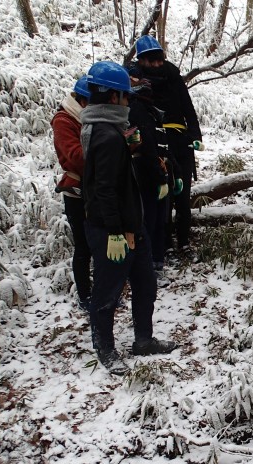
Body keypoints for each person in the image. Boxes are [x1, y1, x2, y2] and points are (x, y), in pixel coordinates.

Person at [81, 60, 176, 375]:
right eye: (126, 96)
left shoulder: (110, 131)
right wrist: (115, 233)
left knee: (146, 284)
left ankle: (143, 340)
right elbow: (103, 190)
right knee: (107, 292)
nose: (129, 101)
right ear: (112, 98)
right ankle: (105, 349)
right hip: (114, 231)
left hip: (133, 224)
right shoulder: (106, 137)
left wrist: (132, 148)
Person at [129, 35, 204, 255]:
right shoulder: (136, 81)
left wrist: (195, 135)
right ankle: (163, 243)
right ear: (142, 60)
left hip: (180, 141)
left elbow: (187, 107)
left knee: (183, 193)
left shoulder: (172, 76)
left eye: (158, 60)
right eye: (151, 61)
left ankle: (183, 240)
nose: (156, 65)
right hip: (155, 144)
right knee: (162, 195)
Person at [127, 78, 182, 286]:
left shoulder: (153, 112)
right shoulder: (137, 111)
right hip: (146, 176)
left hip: (160, 174)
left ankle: (157, 264)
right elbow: (147, 148)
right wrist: (160, 177)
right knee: (149, 222)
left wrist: (173, 173)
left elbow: (163, 145)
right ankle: (146, 269)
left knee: (160, 221)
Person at [51, 75, 92, 311]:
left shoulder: (83, 118)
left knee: (97, 243)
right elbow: (75, 156)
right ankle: (85, 295)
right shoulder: (64, 120)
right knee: (83, 246)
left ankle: (99, 291)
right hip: (77, 191)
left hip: (94, 188)